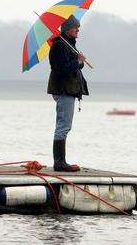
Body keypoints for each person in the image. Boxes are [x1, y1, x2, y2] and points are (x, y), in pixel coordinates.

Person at [47, 15, 89, 172]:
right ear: (67, 29)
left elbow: (72, 67)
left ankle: (60, 161)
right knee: (63, 126)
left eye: (78, 27)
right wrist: (78, 61)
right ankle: (59, 162)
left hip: (68, 90)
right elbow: (61, 69)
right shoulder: (59, 46)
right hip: (63, 90)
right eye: (75, 27)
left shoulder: (69, 45)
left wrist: (80, 63)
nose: (78, 29)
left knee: (64, 125)